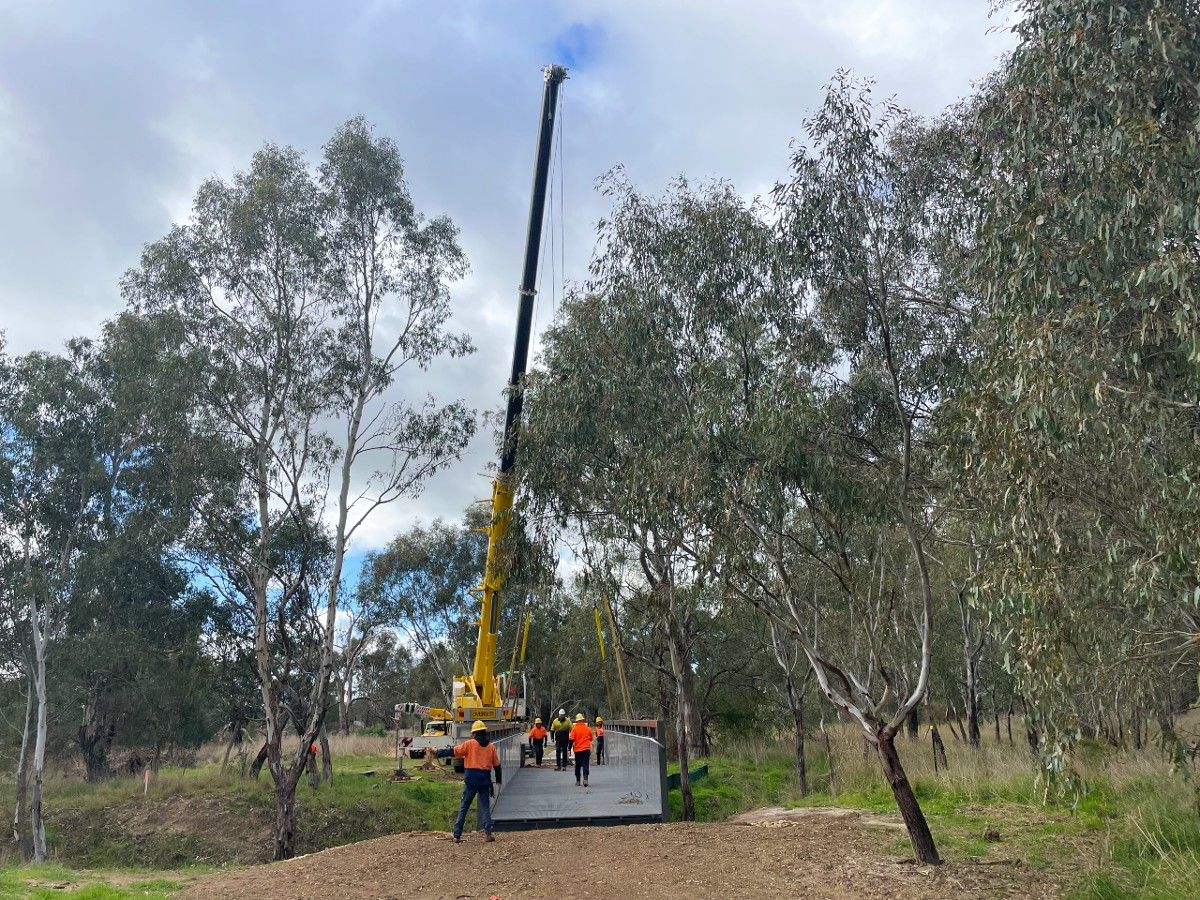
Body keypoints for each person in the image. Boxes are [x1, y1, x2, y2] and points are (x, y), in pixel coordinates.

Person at [436, 721, 502, 843]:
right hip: (484, 780)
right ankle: (488, 834)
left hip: (471, 779)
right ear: (484, 732)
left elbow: (454, 751)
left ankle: (457, 835)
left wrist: (438, 753)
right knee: (485, 807)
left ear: (474, 733)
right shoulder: (491, 747)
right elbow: (497, 766)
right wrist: (498, 782)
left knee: (464, 806)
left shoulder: (470, 744)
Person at [569, 713, 594, 787]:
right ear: (583, 720)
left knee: (578, 765)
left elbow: (571, 739)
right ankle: (585, 779)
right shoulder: (588, 729)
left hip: (578, 750)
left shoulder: (574, 729)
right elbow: (591, 738)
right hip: (586, 749)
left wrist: (569, 749)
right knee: (585, 764)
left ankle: (578, 780)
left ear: (577, 721)